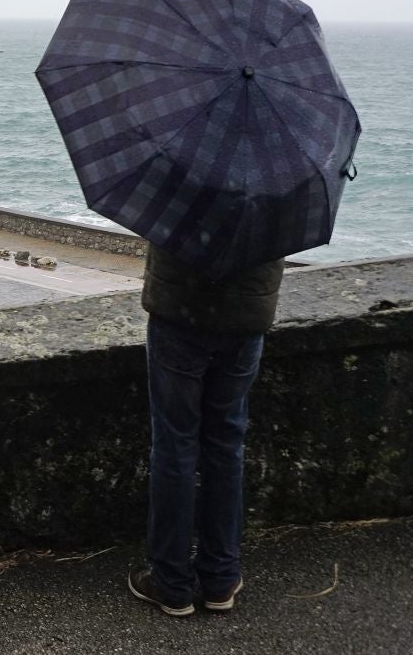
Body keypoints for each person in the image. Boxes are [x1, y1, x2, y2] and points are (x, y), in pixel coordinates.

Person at [128, 242, 284, 617]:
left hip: (179, 309)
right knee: (226, 444)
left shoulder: (182, 196)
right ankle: (220, 577)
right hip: (247, 313)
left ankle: (170, 581)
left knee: (174, 446)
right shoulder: (277, 199)